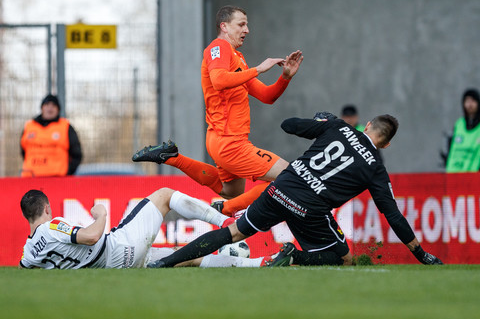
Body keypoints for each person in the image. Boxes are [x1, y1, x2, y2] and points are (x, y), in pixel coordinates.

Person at [148, 112, 443, 268]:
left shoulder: (338, 127)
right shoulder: (376, 168)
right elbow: (390, 212)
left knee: (234, 233)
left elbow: (288, 125)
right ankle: (293, 255)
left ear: (366, 125)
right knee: (344, 259)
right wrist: (419, 252)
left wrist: (322, 122)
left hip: (281, 187)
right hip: (309, 207)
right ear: (386, 143)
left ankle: (165, 262)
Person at [133, 5, 303, 216]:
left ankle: (172, 157)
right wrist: (259, 68)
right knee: (288, 177)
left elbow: (267, 96)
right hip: (230, 143)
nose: (247, 30)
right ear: (224, 26)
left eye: (247, 24)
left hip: (221, 140)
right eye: (241, 24)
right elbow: (219, 80)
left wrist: (285, 77)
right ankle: (225, 210)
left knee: (230, 191)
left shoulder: (237, 57)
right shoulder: (219, 47)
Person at [19, 188, 277, 269]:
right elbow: (91, 236)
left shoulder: (28, 252)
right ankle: (226, 222)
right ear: (47, 208)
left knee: (186, 258)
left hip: (113, 268)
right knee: (164, 195)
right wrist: (101, 214)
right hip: (118, 248)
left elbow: (25, 268)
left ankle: (260, 264)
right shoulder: (52, 225)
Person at [20, 94, 82, 177]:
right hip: (30, 177)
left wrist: (68, 172)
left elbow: (77, 153)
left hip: (57, 179)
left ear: (58, 109)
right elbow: (23, 150)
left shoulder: (65, 127)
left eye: (53, 105)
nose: (50, 108)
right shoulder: (29, 126)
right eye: (47, 105)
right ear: (42, 108)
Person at [444, 88, 480, 172]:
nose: (470, 105)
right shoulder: (459, 124)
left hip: (474, 177)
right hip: (454, 175)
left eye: (473, 101)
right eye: (467, 101)